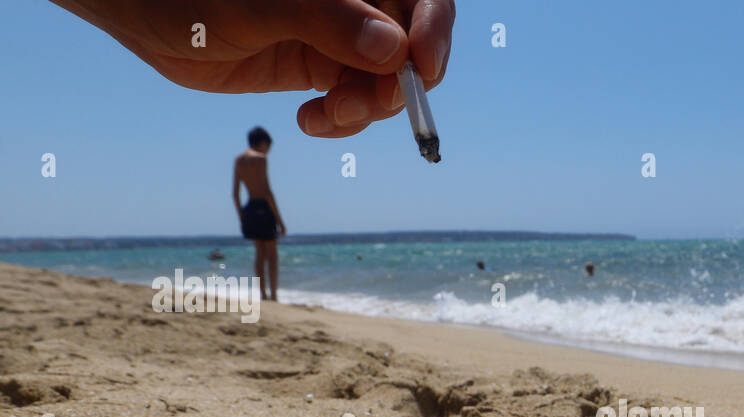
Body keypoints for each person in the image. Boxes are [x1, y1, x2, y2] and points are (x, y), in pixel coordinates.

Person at [49, 0, 455, 139]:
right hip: (259, 212)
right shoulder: (255, 158)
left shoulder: (249, 158)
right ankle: (271, 292)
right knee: (267, 247)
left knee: (263, 249)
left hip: (251, 211)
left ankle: (269, 293)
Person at [234, 127, 286, 300]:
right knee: (272, 254)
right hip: (264, 207)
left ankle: (262, 294)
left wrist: (242, 217)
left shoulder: (239, 160)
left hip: (249, 207)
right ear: (263, 143)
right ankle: (274, 294)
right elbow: (266, 191)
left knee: (259, 254)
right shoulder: (261, 159)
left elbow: (235, 194)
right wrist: (280, 221)